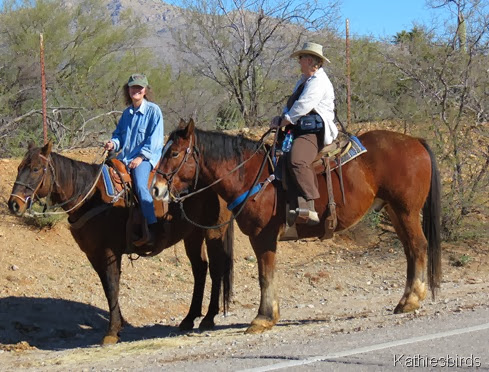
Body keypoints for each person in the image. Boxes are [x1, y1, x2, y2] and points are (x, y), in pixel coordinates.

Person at [270, 42, 337, 224]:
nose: (299, 62)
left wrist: (285, 120)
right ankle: (291, 206)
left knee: (297, 160)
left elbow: (303, 106)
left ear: (309, 60)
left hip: (314, 132)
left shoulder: (319, 82)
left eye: (301, 58)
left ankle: (309, 204)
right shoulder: (303, 81)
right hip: (299, 128)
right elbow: (291, 105)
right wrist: (281, 117)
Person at [105, 73, 164, 246]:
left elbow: (155, 140)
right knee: (106, 177)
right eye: (133, 87)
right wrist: (113, 144)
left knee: (139, 184)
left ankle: (152, 227)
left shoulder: (154, 111)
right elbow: (119, 137)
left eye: (139, 87)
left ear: (145, 90)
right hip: (125, 158)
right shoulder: (126, 113)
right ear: (128, 90)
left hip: (146, 158)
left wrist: (140, 157)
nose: (136, 90)